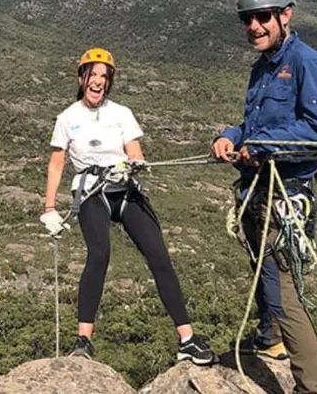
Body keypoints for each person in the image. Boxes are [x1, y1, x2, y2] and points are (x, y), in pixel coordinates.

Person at [41, 48, 218, 365]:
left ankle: (187, 339)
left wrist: (134, 164)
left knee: (159, 256)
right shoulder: (67, 118)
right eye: (92, 75)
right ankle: (83, 341)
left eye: (104, 77)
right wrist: (49, 208)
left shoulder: (121, 113)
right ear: (81, 78)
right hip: (92, 190)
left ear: (109, 83)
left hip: (124, 188)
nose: (98, 82)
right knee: (99, 254)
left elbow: (134, 150)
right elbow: (56, 164)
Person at [211, 0, 317, 394]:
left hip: (285, 195)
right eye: (248, 19)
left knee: (283, 293)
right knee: (261, 273)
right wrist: (231, 135)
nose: (254, 27)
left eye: (262, 17)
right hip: (257, 191)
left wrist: (263, 146)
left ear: (286, 14)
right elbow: (254, 123)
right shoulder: (264, 69)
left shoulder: (306, 63)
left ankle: (312, 387)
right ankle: (270, 340)